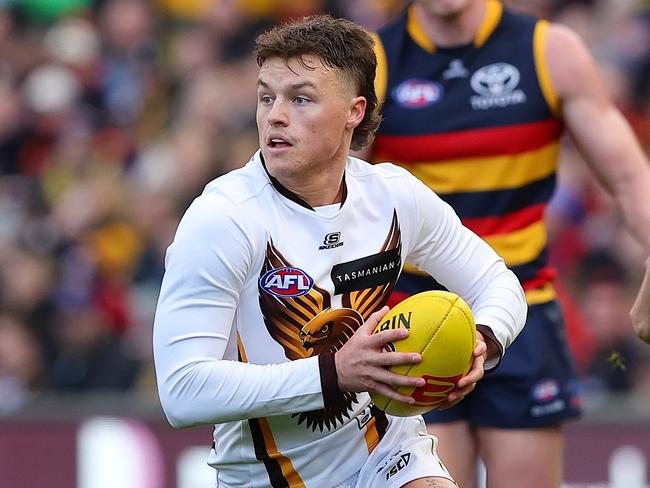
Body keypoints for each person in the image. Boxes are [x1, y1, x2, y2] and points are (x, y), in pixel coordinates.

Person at [153, 14, 527, 488]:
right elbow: (182, 392)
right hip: (267, 476)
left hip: (390, 453)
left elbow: (497, 281)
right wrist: (334, 372)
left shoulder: (394, 194)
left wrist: (484, 340)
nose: (275, 116)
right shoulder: (223, 218)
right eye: (266, 96)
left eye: (301, 98)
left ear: (354, 111)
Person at [365, 1, 650, 487]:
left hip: (525, 311)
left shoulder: (549, 52)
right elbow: (337, 194)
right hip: (412, 318)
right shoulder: (372, 60)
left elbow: (627, 176)